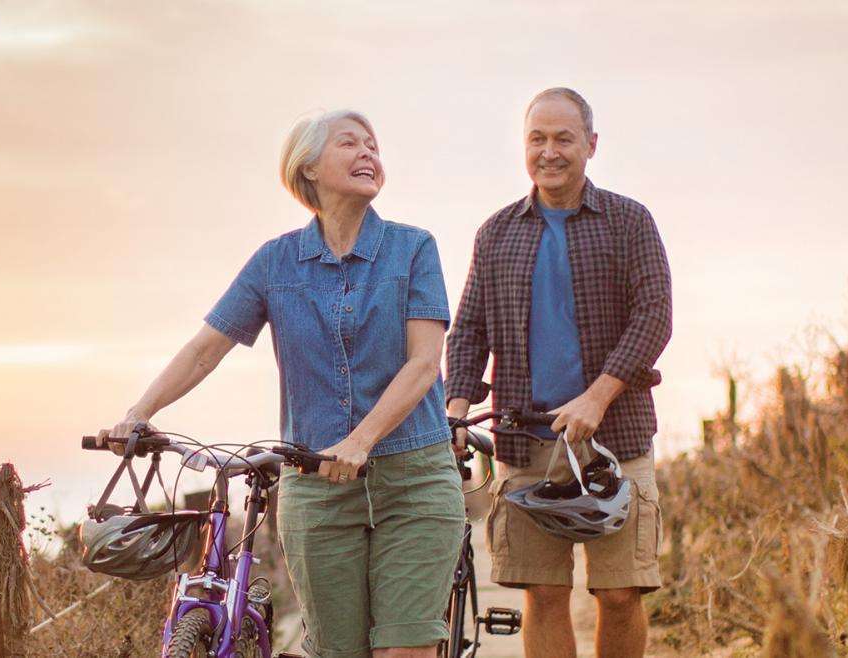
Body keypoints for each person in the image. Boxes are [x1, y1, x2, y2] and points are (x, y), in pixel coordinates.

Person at [105, 109, 461, 657]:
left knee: (404, 648)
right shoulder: (276, 263)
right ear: (309, 168)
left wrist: (360, 440)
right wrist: (138, 412)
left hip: (413, 480)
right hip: (317, 490)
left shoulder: (413, 249)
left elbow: (423, 363)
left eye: (374, 146)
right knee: (335, 651)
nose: (370, 153)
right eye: (351, 143)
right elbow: (206, 348)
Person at [444, 87, 673, 658]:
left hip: (615, 441)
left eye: (563, 138)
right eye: (537, 138)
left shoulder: (629, 221)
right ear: (524, 146)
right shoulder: (496, 234)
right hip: (524, 445)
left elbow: (654, 318)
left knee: (620, 594)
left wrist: (597, 397)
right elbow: (468, 329)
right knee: (543, 595)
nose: (550, 151)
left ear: (590, 145)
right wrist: (455, 410)